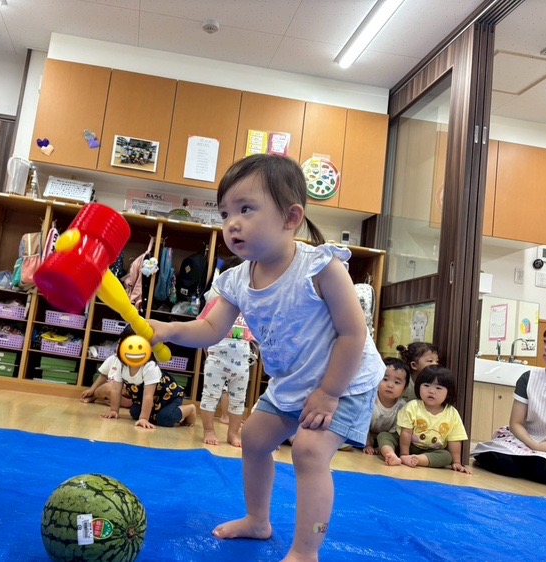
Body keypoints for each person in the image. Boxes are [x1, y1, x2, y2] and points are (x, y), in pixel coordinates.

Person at [148, 153, 385, 560]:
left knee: (309, 451)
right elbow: (210, 329)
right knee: (255, 440)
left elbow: (353, 333)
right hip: (292, 383)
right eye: (225, 213)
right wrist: (168, 329)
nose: (232, 223)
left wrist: (329, 393)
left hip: (344, 379)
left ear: (291, 218)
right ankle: (258, 521)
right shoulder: (236, 279)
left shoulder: (321, 267)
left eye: (246, 209)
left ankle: (306, 551)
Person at [471, 325, 546, 485]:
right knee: (499, 458)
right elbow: (516, 423)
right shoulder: (529, 378)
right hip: (524, 439)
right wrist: (533, 444)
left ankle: (531, 466)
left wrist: (542, 448)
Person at [198, 255, 254, 447]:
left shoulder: (251, 305)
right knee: (210, 395)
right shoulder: (216, 302)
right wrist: (207, 350)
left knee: (239, 399)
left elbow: (258, 331)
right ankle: (208, 430)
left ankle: (233, 433)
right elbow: (202, 325)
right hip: (218, 354)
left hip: (242, 356)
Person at [99, 325, 197, 429]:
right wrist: (114, 410)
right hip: (149, 401)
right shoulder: (121, 365)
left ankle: (190, 409)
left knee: (165, 419)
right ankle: (153, 414)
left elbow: (148, 395)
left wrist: (144, 418)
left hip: (168, 398)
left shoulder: (150, 366)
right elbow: (116, 389)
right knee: (135, 412)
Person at [394, 365, 471, 473]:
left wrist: (457, 462)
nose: (431, 391)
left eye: (438, 388)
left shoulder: (452, 413)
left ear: (448, 393)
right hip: (409, 445)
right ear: (418, 387)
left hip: (432, 451)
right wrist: (404, 454)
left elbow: (454, 439)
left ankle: (418, 459)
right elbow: (406, 432)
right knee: (385, 436)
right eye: (426, 385)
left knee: (447, 456)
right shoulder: (413, 406)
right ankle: (393, 454)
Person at [363, 357, 410, 465]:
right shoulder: (370, 399)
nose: (390, 385)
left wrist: (381, 446)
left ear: (405, 388)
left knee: (387, 437)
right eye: (385, 379)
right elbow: (363, 424)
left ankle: (388, 452)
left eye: (397, 382)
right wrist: (368, 444)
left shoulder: (403, 407)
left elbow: (394, 433)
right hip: (366, 435)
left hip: (385, 439)